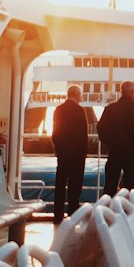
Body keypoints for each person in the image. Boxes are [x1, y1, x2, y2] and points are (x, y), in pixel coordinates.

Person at [52, 82, 89, 224]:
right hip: (77, 154)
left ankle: (58, 214)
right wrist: (84, 151)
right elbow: (83, 134)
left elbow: (55, 132)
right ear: (78, 95)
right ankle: (73, 212)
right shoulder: (80, 111)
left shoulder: (58, 109)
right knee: (75, 184)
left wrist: (58, 148)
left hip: (63, 153)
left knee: (60, 184)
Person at [98, 80, 134, 194]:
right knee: (130, 188)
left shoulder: (110, 109)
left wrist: (108, 142)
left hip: (115, 152)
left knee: (110, 186)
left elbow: (101, 128)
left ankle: (107, 210)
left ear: (121, 91)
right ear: (133, 92)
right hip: (133, 155)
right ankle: (127, 211)